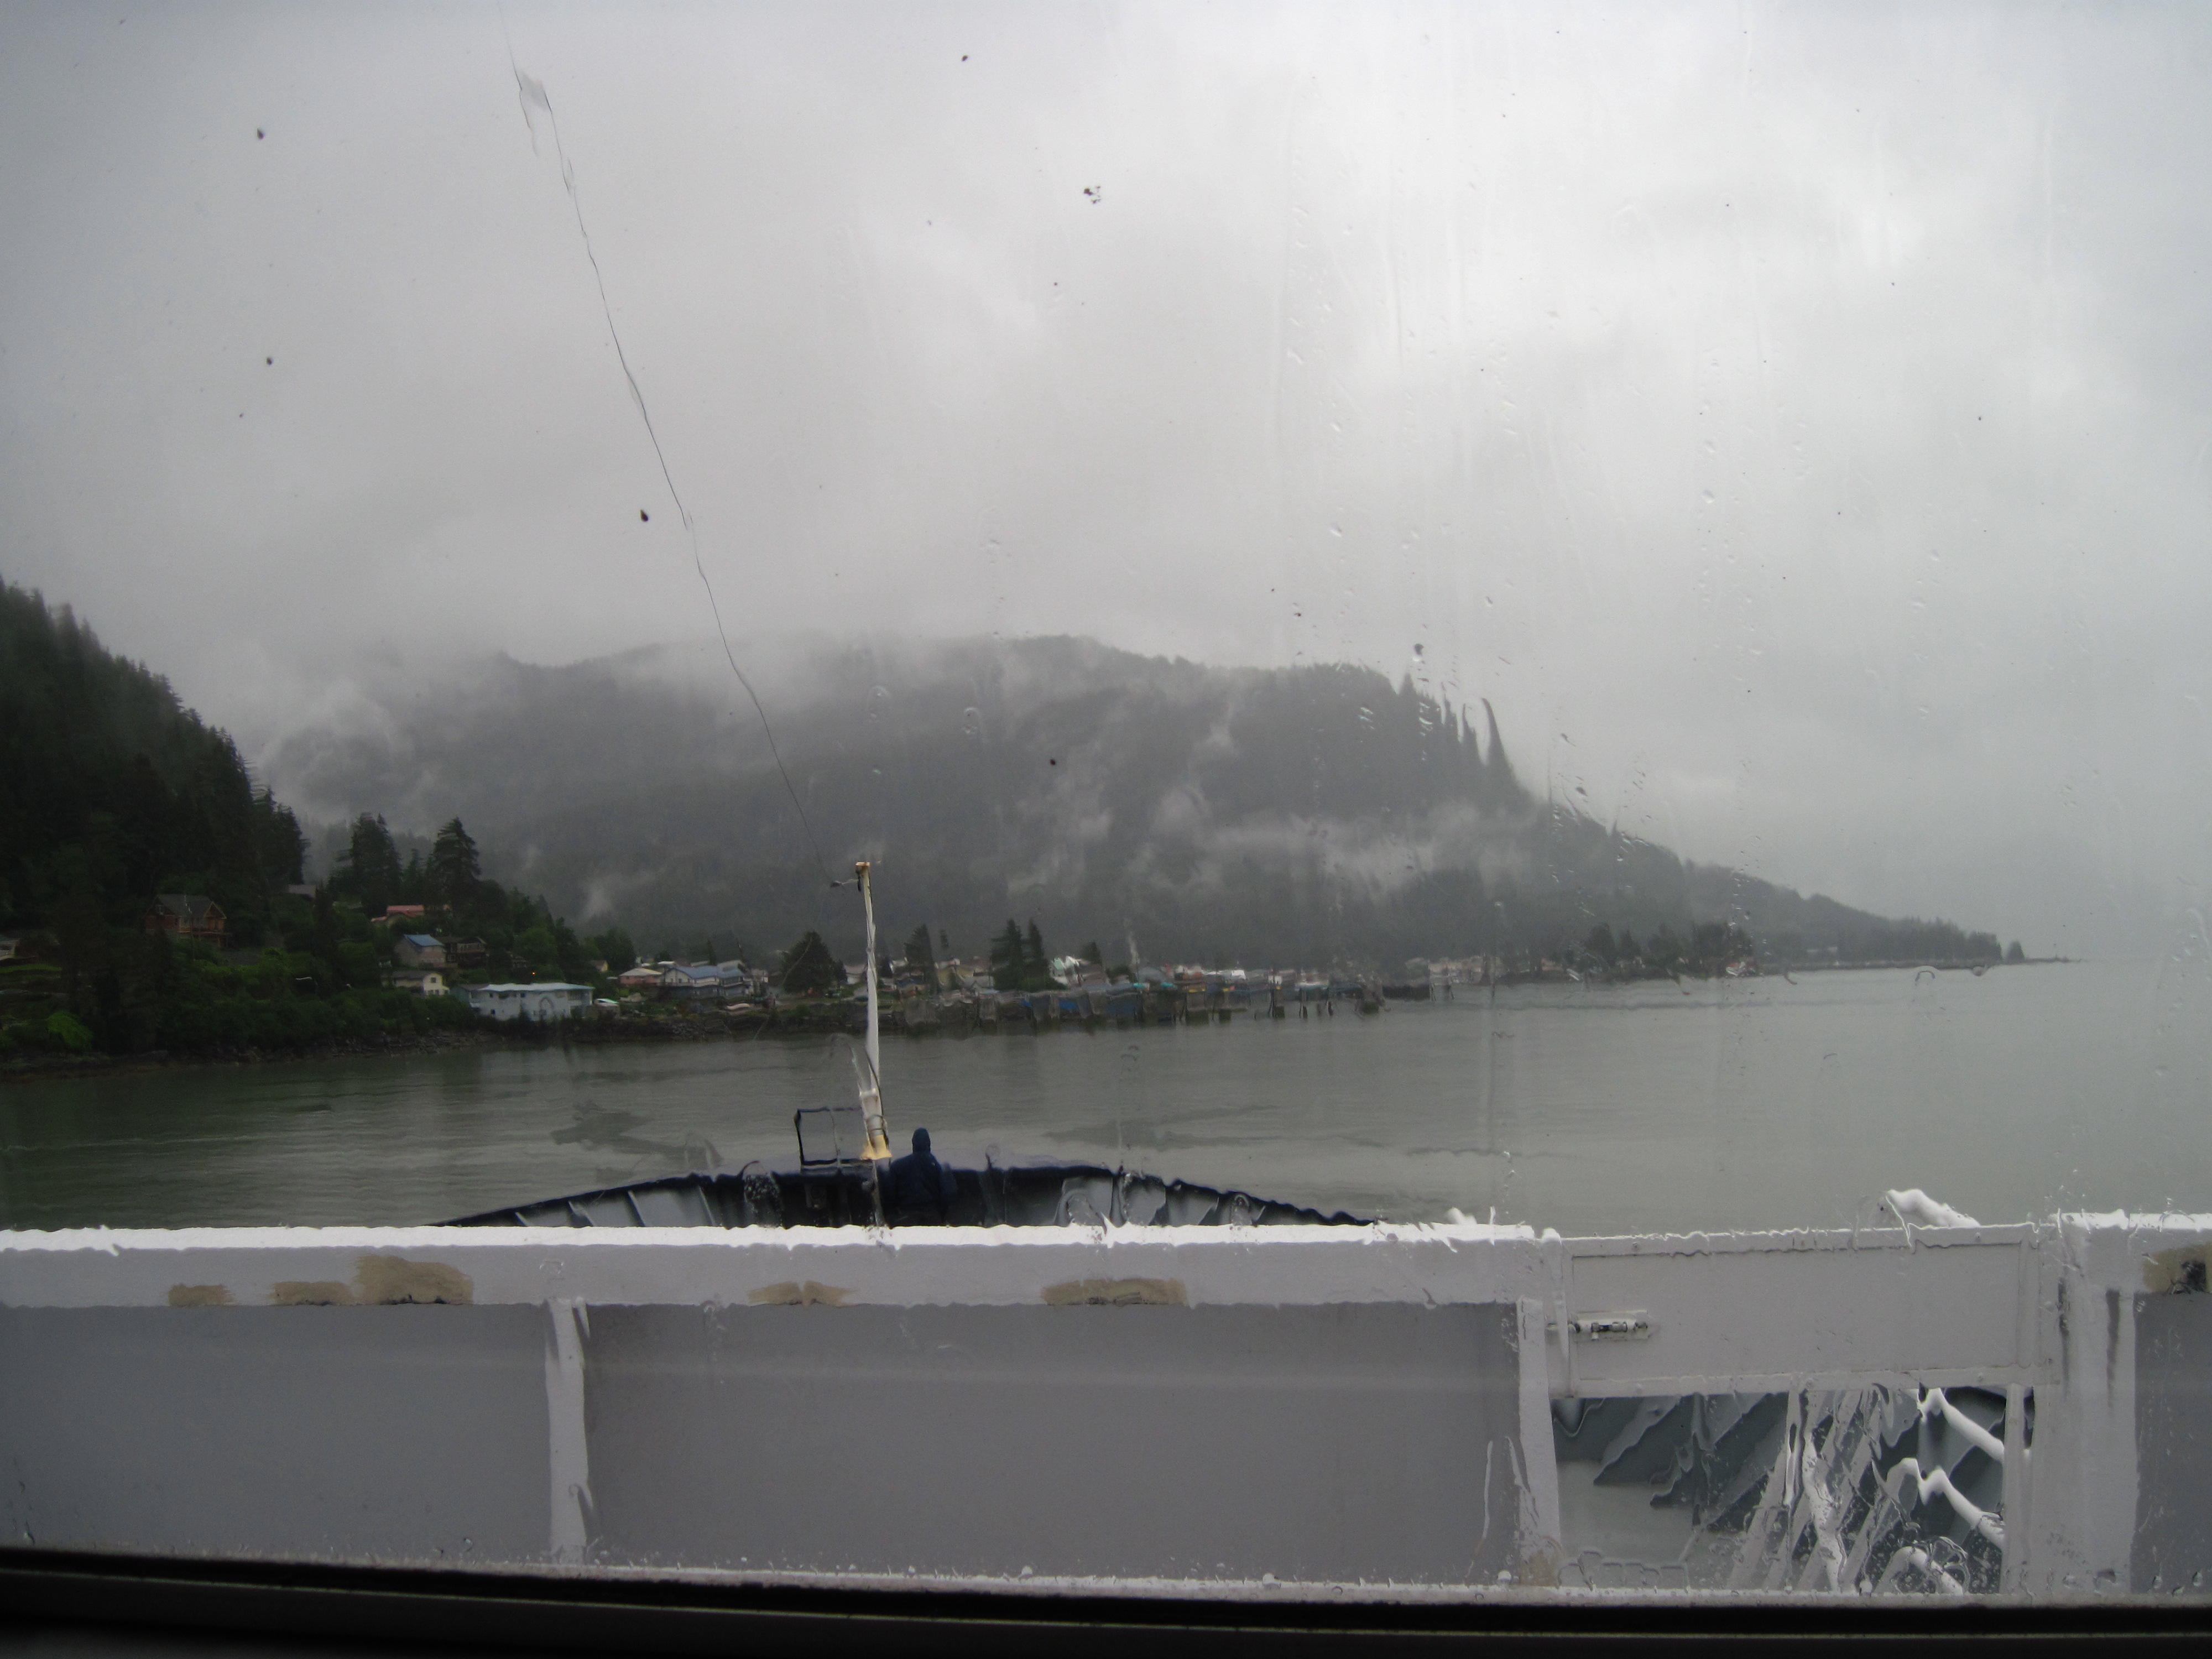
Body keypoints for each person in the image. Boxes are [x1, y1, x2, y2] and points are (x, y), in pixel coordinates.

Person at [884, 1125, 957, 1224]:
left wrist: (893, 1214)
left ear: (913, 1144)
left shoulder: (897, 1166)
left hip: (906, 1217)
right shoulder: (937, 1167)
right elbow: (947, 1193)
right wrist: (942, 1215)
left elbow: (890, 1194)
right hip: (932, 1217)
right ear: (929, 1144)